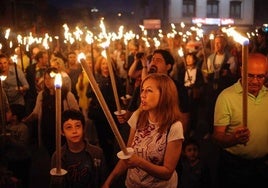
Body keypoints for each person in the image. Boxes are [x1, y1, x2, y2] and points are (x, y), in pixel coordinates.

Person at [102, 73, 184, 188]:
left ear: (164, 95)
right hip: (132, 184)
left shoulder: (174, 126)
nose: (142, 95)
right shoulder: (138, 116)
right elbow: (128, 153)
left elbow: (167, 172)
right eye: (142, 90)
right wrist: (108, 182)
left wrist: (139, 162)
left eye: (149, 91)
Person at [212, 53, 268, 188]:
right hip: (235, 167)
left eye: (260, 76)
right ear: (242, 71)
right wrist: (234, 139)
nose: (255, 81)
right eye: (250, 75)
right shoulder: (226, 97)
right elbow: (217, 137)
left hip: (263, 166)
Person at [23, 67, 79, 156]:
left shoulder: (67, 95)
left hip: (62, 132)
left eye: (51, 78)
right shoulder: (42, 95)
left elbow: (76, 113)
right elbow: (36, 112)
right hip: (47, 131)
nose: (48, 81)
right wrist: (26, 120)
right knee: (52, 153)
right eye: (46, 78)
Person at [51, 109, 107, 188]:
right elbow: (55, 184)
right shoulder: (58, 156)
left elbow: (103, 180)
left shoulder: (97, 153)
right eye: (69, 127)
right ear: (62, 132)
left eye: (77, 126)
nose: (74, 131)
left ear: (83, 128)